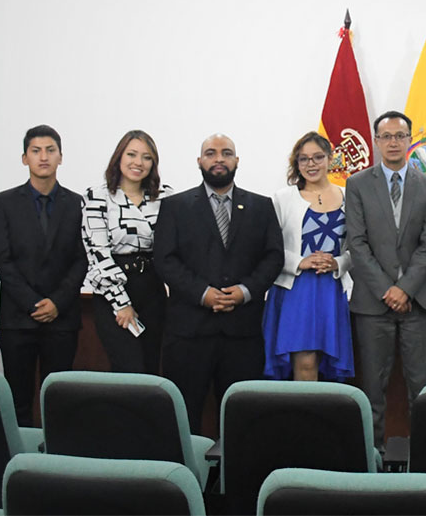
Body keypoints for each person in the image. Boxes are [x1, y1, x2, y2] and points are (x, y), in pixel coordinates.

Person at [154, 133, 282, 434]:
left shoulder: (261, 207)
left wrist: (245, 291)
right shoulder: (175, 206)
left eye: (226, 153)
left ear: (237, 161)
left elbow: (273, 257)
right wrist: (202, 294)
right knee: (185, 417)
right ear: (200, 161)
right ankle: (190, 479)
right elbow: (165, 260)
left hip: (242, 333)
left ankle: (236, 481)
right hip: (189, 332)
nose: (219, 159)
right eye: (211, 153)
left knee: (243, 419)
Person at [346, 111, 426, 449]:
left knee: (422, 389)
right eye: (387, 136)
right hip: (373, 302)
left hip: (418, 301)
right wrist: (388, 290)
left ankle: (423, 460)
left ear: (410, 140)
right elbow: (356, 243)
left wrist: (405, 289)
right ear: (376, 141)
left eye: (400, 136)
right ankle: (374, 460)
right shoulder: (357, 185)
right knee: (373, 388)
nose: (394, 142)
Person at [0, 125, 86, 427]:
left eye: (50, 150)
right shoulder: (5, 202)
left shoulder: (77, 204)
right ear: (24, 158)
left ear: (60, 157)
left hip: (62, 317)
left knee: (57, 398)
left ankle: (55, 463)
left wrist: (57, 302)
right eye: (36, 151)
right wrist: (33, 302)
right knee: (18, 398)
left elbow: (81, 260)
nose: (43, 157)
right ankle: (19, 463)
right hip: (18, 318)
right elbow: (2, 259)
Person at [264, 132, 354, 382]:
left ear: (330, 159)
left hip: (333, 289)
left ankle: (318, 419)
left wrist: (339, 262)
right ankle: (299, 420)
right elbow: (266, 247)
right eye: (303, 159)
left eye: (317, 157)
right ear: (296, 163)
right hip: (296, 289)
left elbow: (358, 246)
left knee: (327, 366)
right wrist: (298, 261)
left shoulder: (350, 195)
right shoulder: (282, 198)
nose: (311, 164)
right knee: (304, 363)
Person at [82, 130, 173, 374]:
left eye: (146, 157)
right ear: (119, 157)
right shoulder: (97, 197)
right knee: (128, 369)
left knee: (151, 367)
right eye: (131, 154)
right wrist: (121, 304)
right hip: (114, 292)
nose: (138, 163)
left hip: (153, 290)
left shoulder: (165, 197)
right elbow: (97, 254)